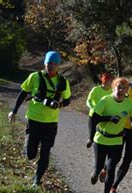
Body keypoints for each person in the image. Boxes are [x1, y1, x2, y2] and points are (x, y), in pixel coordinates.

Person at [8, 51, 71, 186]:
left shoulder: (63, 81)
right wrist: (14, 111)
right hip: (34, 120)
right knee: (30, 154)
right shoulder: (34, 77)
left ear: (58, 65)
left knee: (45, 152)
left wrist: (58, 104)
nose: (51, 66)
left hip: (51, 122)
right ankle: (28, 146)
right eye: (49, 63)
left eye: (54, 63)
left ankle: (37, 179)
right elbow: (23, 92)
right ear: (45, 63)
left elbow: (68, 100)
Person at [86, 72, 114, 149]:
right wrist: (93, 107)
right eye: (109, 81)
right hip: (94, 114)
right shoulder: (96, 89)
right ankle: (91, 140)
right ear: (104, 81)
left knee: (104, 132)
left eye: (112, 81)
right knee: (92, 133)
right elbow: (89, 101)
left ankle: (104, 145)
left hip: (105, 115)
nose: (111, 83)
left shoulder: (112, 91)